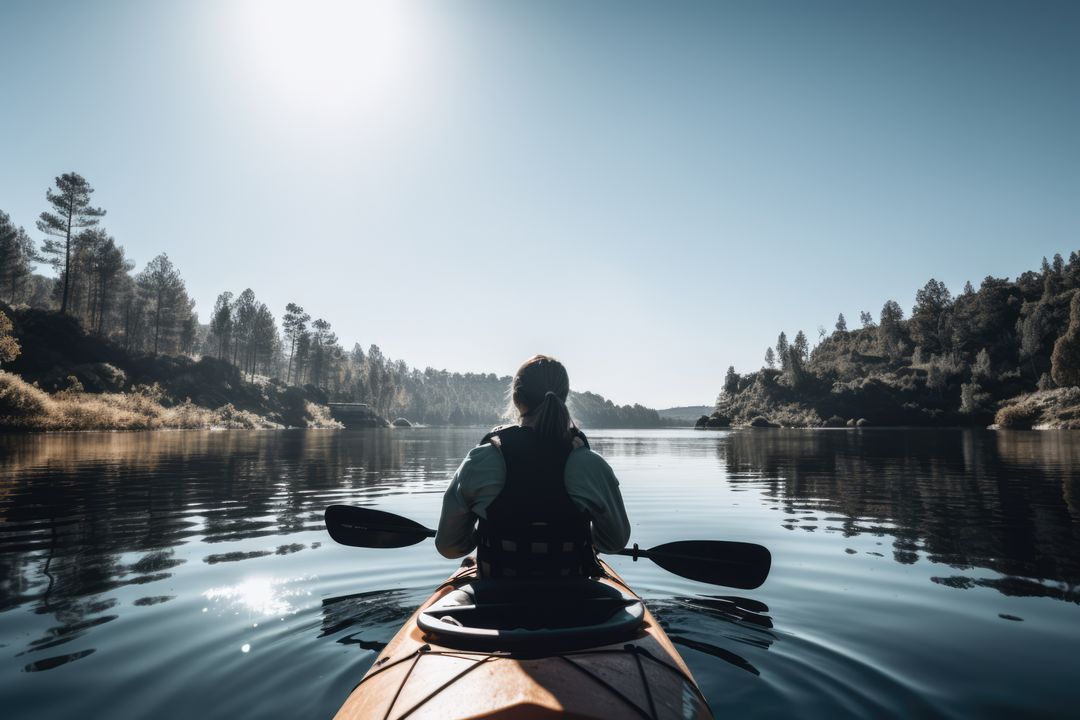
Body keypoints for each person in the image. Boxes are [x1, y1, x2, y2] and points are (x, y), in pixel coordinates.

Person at [435, 354, 631, 578]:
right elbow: (614, 542)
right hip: (574, 602)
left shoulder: (479, 461)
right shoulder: (591, 465)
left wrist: (476, 538)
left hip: (494, 601)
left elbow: (449, 547)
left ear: (517, 399)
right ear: (563, 398)